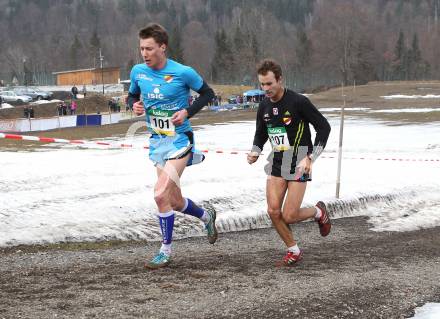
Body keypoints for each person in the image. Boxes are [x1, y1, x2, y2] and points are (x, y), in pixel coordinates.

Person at [128, 23, 216, 269]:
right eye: (141, 49)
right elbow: (132, 95)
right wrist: (134, 104)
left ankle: (164, 251)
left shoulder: (183, 72)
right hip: (158, 141)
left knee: (159, 194)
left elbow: (209, 94)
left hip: (180, 141)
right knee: (174, 201)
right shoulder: (138, 72)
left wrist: (187, 112)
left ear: (162, 47)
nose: (144, 54)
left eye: (149, 48)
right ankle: (207, 216)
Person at [247, 59, 331, 266]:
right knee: (273, 211)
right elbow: (261, 133)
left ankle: (319, 212)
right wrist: (255, 151)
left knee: (290, 215)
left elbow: (324, 127)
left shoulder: (298, 101)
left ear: (280, 80)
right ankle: (293, 250)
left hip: (300, 160)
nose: (265, 89)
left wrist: (311, 157)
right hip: (277, 161)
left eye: (269, 84)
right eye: (262, 84)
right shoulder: (264, 105)